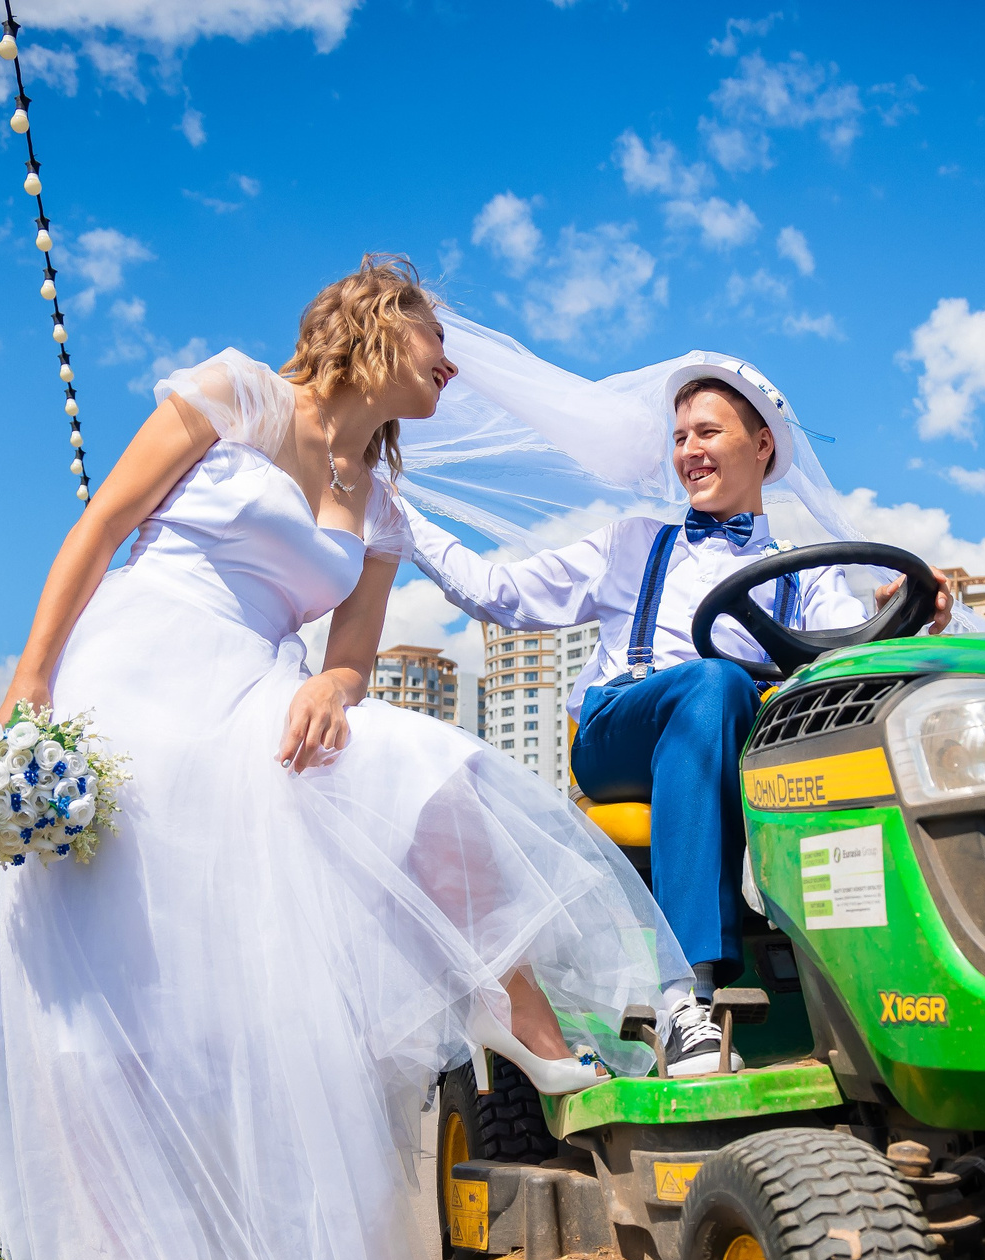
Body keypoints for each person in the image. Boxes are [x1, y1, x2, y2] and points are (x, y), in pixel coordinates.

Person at [0, 257, 682, 1260]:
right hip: (134, 685)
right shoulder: (233, 395)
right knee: (111, 1005)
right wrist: (33, 680)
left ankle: (536, 1038)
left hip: (258, 695)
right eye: (435, 337)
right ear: (374, 328)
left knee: (425, 770)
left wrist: (335, 689)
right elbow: (103, 525)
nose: (453, 363)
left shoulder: (383, 504)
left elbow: (349, 653)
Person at [397, 332, 955, 1074]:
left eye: (708, 432)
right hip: (620, 735)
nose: (688, 450)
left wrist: (903, 611)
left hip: (744, 746)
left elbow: (846, 661)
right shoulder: (634, 544)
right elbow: (495, 593)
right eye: (680, 436)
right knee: (713, 681)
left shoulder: (808, 578)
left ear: (762, 446)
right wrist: (395, 513)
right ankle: (682, 994)